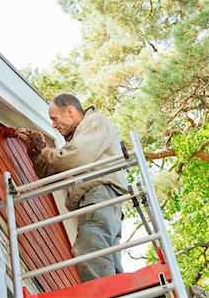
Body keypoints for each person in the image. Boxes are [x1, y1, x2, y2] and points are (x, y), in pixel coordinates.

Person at [15, 93, 128, 282]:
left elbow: (74, 158)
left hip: (99, 195)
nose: (53, 125)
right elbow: (53, 174)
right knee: (107, 260)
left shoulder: (95, 122)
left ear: (69, 111)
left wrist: (44, 149)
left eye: (54, 119)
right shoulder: (78, 140)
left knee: (90, 248)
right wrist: (35, 151)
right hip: (102, 201)